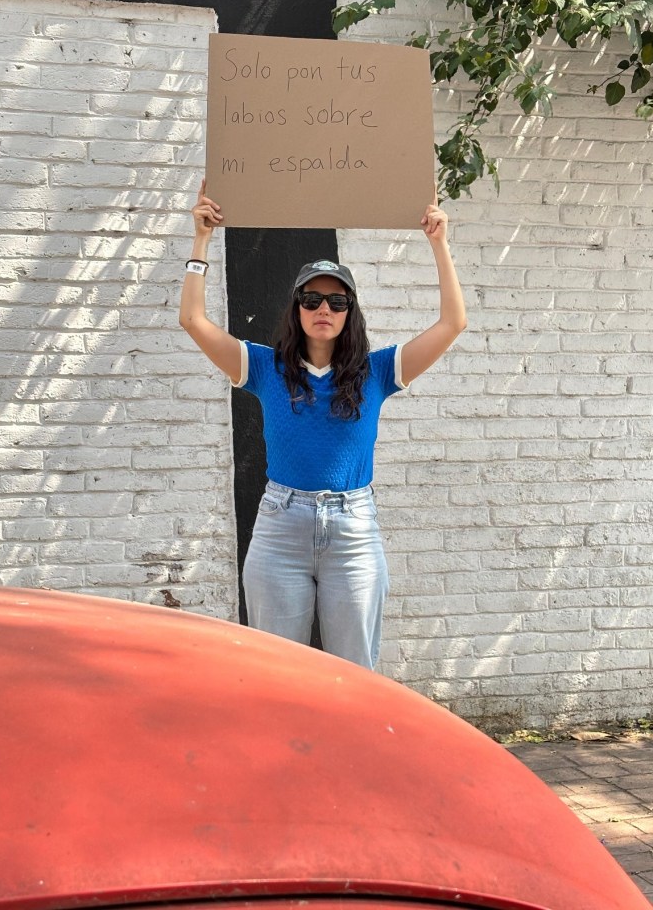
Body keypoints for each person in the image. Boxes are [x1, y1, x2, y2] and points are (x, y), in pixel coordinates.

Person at [179, 179, 467, 669]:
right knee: (276, 671)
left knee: (355, 673)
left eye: (337, 302)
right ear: (296, 308)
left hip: (353, 530)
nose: (323, 310)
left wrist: (439, 243)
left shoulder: (377, 372)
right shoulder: (264, 367)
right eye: (311, 300)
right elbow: (193, 320)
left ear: (349, 313)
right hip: (279, 530)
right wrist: (201, 241)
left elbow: (452, 324)